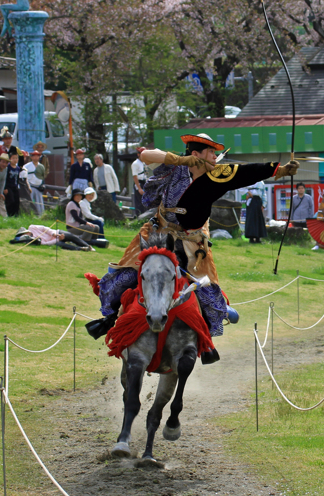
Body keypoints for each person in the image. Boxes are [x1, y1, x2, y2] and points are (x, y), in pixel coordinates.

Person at [84, 133, 298, 353]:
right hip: (158, 234)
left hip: (192, 244)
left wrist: (280, 170)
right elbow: (146, 155)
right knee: (125, 278)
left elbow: (248, 172)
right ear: (195, 154)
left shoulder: (218, 175)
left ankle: (202, 343)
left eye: (216, 153)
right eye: (211, 153)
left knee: (208, 297)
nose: (216, 157)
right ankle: (111, 320)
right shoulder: (174, 167)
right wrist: (181, 160)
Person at [16, 224, 92, 251]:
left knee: (71, 236)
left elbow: (44, 228)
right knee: (62, 245)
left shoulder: (32, 227)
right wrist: (58, 239)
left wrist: (53, 234)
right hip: (56, 241)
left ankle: (87, 246)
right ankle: (81, 249)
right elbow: (46, 243)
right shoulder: (34, 241)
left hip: (56, 233)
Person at [24, 145, 47, 216]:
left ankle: (40, 215)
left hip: (38, 186)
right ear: (31, 157)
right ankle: (30, 214)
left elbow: (42, 177)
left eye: (37, 156)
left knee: (39, 202)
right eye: (34, 156)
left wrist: (43, 184)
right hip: (30, 186)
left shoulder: (41, 166)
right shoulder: (27, 166)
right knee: (30, 201)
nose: (36, 157)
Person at [131, 145, 148, 217]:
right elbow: (135, 176)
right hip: (139, 183)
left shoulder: (144, 163)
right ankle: (139, 216)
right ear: (138, 154)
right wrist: (139, 188)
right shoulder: (135, 163)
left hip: (144, 182)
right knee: (139, 202)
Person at [4, 149, 22, 216]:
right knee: (11, 200)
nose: (15, 160)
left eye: (16, 158)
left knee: (17, 201)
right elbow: (5, 178)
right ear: (10, 159)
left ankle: (16, 214)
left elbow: (17, 178)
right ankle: (9, 214)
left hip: (15, 186)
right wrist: (5, 187)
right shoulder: (8, 168)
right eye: (13, 158)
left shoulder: (18, 168)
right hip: (9, 186)